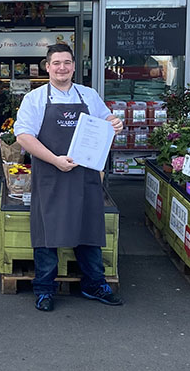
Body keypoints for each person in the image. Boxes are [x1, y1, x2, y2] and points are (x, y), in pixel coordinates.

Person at [14, 43, 125, 311]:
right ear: (48, 67)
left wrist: (115, 123)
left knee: (88, 227)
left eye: (67, 62)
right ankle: (44, 288)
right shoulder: (36, 99)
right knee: (47, 231)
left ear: (74, 66)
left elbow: (106, 120)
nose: (62, 68)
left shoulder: (89, 95)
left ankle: (94, 283)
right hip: (51, 174)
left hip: (85, 177)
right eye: (56, 63)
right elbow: (23, 136)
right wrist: (55, 160)